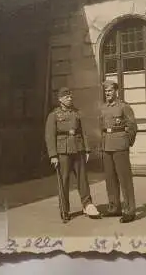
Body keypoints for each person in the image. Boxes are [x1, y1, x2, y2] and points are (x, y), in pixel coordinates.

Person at [44, 87, 101, 223]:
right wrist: (53, 155)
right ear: (60, 99)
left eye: (70, 97)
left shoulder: (77, 113)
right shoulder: (54, 115)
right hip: (62, 151)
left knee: (83, 179)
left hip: (78, 149)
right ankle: (65, 209)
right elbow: (49, 136)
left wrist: (87, 149)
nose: (70, 99)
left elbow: (83, 132)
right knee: (63, 181)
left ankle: (87, 205)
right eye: (66, 97)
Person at [99, 80, 138, 223]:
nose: (107, 93)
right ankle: (114, 208)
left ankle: (129, 210)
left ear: (116, 91)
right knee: (110, 178)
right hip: (107, 145)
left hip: (120, 145)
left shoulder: (124, 107)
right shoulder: (103, 108)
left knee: (124, 179)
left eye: (110, 91)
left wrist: (127, 141)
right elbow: (101, 127)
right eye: (106, 91)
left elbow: (132, 126)